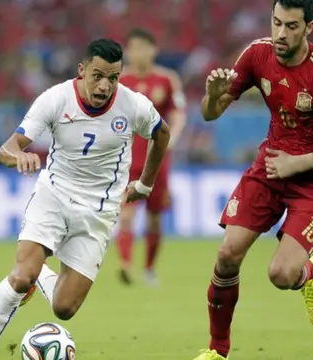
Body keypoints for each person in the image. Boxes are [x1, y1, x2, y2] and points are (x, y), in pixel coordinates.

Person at [0, 38, 171, 360]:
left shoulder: (134, 105)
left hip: (99, 209)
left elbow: (162, 134)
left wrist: (145, 184)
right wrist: (18, 157)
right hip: (54, 195)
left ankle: (42, 276)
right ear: (82, 70)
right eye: (97, 75)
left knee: (64, 308)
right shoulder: (55, 99)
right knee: (21, 275)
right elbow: (6, 149)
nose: (105, 85)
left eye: (113, 78)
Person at [194, 1, 313, 359]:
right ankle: (217, 351)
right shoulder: (257, 55)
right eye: (276, 23)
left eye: (291, 26)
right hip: (272, 166)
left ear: (309, 28)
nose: (281, 34)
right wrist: (213, 96)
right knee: (227, 254)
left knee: (281, 275)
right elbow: (210, 115)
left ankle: (308, 272)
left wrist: (301, 162)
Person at [118, 28, 187, 286]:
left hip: (157, 161)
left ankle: (148, 268)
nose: (137, 53)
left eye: (142, 48)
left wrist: (175, 136)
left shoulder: (168, 80)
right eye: (133, 48)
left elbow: (179, 112)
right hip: (126, 159)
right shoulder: (121, 82)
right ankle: (125, 264)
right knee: (125, 214)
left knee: (154, 218)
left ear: (153, 50)